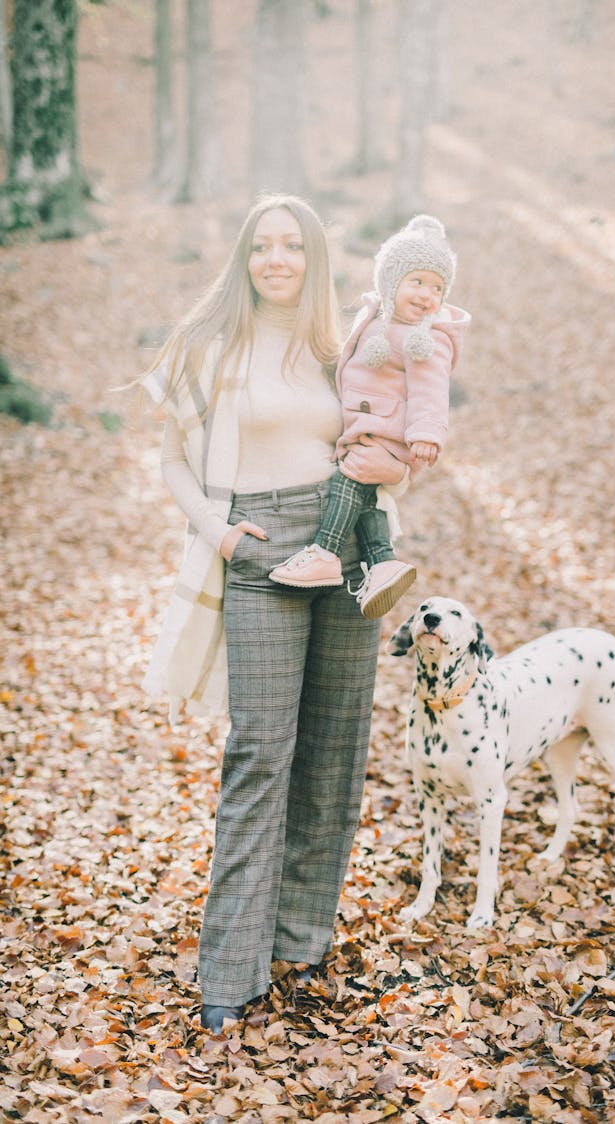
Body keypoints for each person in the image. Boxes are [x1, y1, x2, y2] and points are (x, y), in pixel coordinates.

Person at [140, 194, 407, 1034]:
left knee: (333, 746)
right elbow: (173, 460)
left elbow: (387, 441)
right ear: (246, 258)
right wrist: (219, 535)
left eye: (294, 245)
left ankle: (301, 938)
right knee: (261, 750)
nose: (279, 259)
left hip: (346, 546)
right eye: (264, 245)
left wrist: (392, 462)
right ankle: (231, 968)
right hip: (260, 549)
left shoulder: (343, 349)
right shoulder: (211, 347)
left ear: (315, 258)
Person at [268, 215, 471, 619]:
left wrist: (427, 435)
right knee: (366, 495)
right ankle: (381, 563)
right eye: (417, 282)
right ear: (390, 283)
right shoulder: (376, 318)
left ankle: (325, 550)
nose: (427, 295)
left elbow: (431, 391)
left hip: (390, 432)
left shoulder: (425, 338)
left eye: (437, 287)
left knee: (351, 478)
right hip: (369, 426)